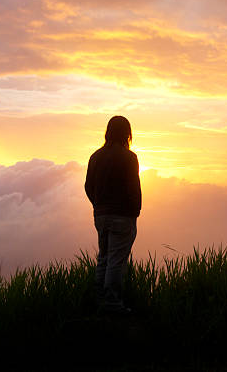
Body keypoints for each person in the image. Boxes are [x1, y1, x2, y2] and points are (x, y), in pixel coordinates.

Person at [85, 115, 141, 315]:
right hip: (123, 216)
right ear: (127, 133)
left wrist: (98, 206)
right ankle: (112, 305)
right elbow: (133, 188)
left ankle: (99, 300)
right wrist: (135, 211)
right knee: (116, 260)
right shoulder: (129, 157)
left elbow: (88, 187)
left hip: (101, 216)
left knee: (104, 258)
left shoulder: (95, 156)